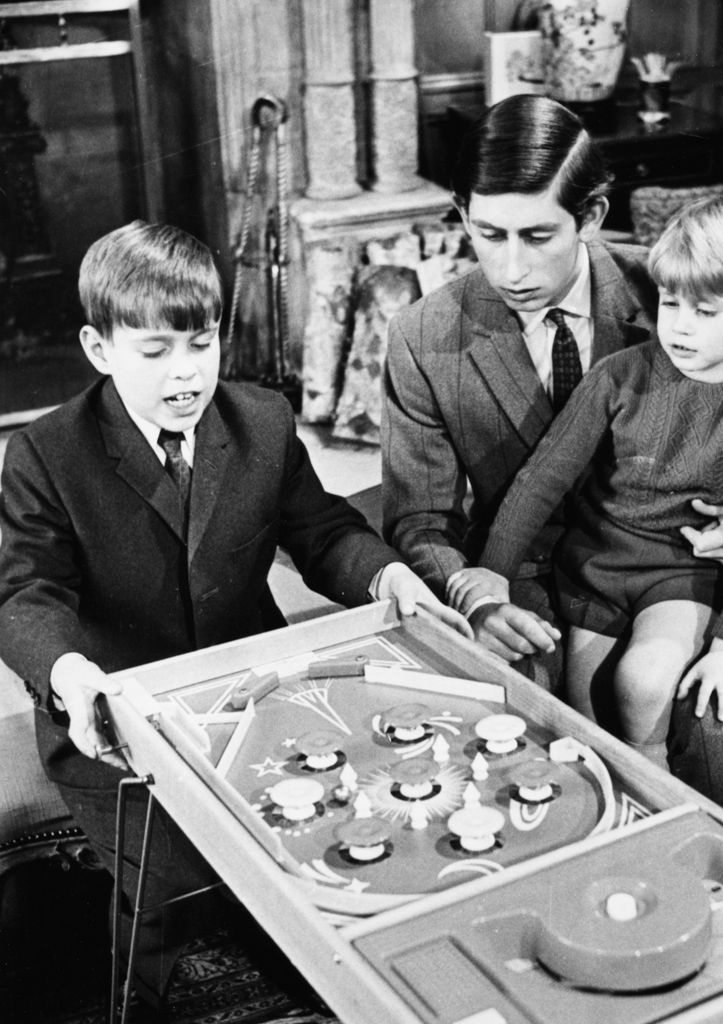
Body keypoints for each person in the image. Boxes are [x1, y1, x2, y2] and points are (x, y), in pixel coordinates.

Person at [0, 220, 468, 1018]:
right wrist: (73, 678)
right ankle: (139, 990)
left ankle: (319, 971)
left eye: (201, 344)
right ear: (98, 347)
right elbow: (25, 594)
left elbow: (322, 531)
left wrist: (389, 575)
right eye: (155, 352)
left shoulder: (262, 420)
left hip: (256, 697)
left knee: (327, 837)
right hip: (114, 717)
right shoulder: (46, 451)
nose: (185, 374)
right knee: (175, 886)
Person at [381, 94, 723, 828]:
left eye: (537, 235)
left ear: (591, 216)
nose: (511, 266)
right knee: (518, 759)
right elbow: (419, 519)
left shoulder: (675, 290)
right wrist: (478, 597)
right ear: (462, 213)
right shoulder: (420, 337)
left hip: (675, 573)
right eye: (487, 234)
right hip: (522, 592)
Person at [469, 194, 723, 773]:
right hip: (596, 569)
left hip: (679, 576)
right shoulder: (617, 377)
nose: (679, 326)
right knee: (581, 721)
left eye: (704, 311)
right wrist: (494, 569)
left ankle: (654, 800)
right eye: (670, 304)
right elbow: (543, 478)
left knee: (642, 684)